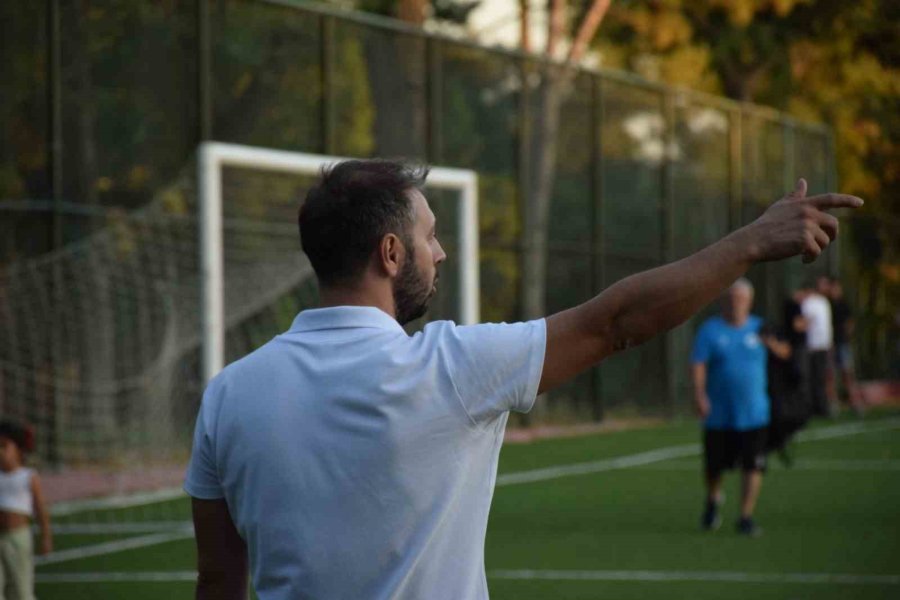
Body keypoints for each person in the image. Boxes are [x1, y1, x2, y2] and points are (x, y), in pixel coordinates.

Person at [183, 162, 860, 600]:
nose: (440, 252)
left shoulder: (228, 393)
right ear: (390, 253)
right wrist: (748, 243)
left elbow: (217, 584)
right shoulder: (453, 368)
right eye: (428, 236)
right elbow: (616, 322)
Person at [691, 279, 780, 536]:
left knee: (753, 465)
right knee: (714, 467)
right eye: (731, 298)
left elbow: (786, 353)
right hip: (718, 413)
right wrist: (699, 394)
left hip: (754, 412)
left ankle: (745, 516)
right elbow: (698, 363)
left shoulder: (760, 328)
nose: (735, 303)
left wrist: (772, 344)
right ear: (723, 301)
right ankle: (713, 499)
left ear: (749, 302)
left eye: (740, 299)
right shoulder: (710, 330)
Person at [0, 421, 52, 600]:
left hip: (17, 537)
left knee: (21, 589)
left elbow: (40, 509)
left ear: (18, 450)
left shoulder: (27, 476)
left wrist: (46, 536)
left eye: (4, 446)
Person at [764, 290, 812, 465]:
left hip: (792, 378)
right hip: (780, 380)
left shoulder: (794, 337)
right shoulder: (781, 331)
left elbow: (785, 352)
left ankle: (780, 439)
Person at [826, 277, 865, 413]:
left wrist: (847, 335)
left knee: (847, 374)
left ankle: (855, 402)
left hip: (843, 344)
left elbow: (850, 323)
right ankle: (833, 404)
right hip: (831, 344)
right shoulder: (827, 305)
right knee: (830, 375)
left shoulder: (844, 304)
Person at [802, 280, 834, 417]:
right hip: (813, 346)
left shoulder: (823, 302)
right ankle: (815, 406)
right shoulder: (809, 302)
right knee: (813, 378)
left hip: (822, 346)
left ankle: (822, 406)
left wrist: (829, 342)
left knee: (821, 377)